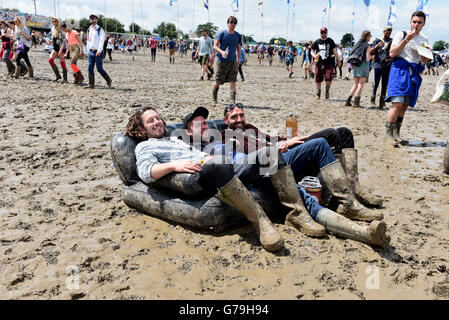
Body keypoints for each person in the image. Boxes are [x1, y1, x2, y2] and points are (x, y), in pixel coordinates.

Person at [182, 107, 389, 247]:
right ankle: (356, 221)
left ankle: (360, 226)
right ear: (189, 132)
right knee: (318, 146)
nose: (205, 127)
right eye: (198, 125)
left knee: (306, 195)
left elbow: (264, 142)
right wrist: (277, 147)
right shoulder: (202, 147)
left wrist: (285, 141)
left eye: (206, 124)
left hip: (268, 162)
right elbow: (212, 167)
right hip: (255, 167)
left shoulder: (229, 137)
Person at [125, 106, 286, 252]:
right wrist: (174, 165)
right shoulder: (144, 146)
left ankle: (297, 214)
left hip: (218, 164)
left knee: (269, 154)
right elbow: (146, 172)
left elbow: (201, 153)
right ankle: (261, 224)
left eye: (158, 118)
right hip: (204, 173)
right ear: (142, 129)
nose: (157, 122)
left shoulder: (174, 140)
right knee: (219, 163)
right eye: (150, 121)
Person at [221, 104, 384, 210]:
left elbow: (269, 138)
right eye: (234, 117)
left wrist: (288, 140)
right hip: (276, 160)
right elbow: (254, 153)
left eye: (241, 115)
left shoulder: (249, 128)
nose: (239, 120)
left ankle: (352, 185)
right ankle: (343, 195)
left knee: (343, 133)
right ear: (225, 120)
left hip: (284, 148)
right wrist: (279, 146)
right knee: (329, 135)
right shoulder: (227, 135)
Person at [384, 11, 430, 147]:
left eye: (419, 22)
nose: (416, 24)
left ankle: (396, 134)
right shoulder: (401, 34)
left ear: (424, 24)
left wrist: (426, 57)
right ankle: (388, 135)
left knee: (404, 106)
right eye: (414, 21)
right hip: (399, 70)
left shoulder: (424, 39)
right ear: (410, 22)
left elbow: (423, 61)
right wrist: (407, 40)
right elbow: (392, 53)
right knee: (397, 103)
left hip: (413, 73)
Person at [212, 16, 242, 104]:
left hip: (232, 62)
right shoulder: (222, 34)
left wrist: (238, 60)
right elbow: (215, 46)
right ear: (227, 23)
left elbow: (238, 48)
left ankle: (232, 101)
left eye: (234, 23)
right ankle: (214, 97)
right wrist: (221, 52)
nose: (232, 24)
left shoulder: (237, 35)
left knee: (233, 81)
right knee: (218, 82)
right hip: (221, 62)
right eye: (231, 22)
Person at [344, 31, 372, 108]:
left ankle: (348, 101)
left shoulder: (357, 44)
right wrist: (371, 57)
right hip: (363, 65)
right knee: (360, 85)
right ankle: (356, 102)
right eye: (370, 36)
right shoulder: (367, 45)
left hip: (356, 65)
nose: (370, 37)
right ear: (367, 36)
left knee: (355, 84)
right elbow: (367, 59)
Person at [311, 27, 341, 99]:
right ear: (320, 33)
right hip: (319, 63)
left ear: (327, 33)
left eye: (325, 32)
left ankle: (327, 91)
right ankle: (318, 93)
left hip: (329, 63)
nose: (323, 34)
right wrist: (314, 55)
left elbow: (335, 51)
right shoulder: (317, 41)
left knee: (328, 78)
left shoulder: (330, 41)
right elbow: (311, 51)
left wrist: (338, 61)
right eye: (322, 32)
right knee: (318, 78)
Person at [85, 14, 112, 89]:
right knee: (90, 68)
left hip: (98, 52)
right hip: (90, 52)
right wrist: (87, 51)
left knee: (99, 68)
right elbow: (88, 41)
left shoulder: (100, 29)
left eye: (93, 18)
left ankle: (109, 80)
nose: (91, 19)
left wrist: (99, 50)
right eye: (90, 18)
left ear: (96, 20)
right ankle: (91, 84)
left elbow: (101, 41)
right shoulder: (89, 29)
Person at [370, 26, 393, 108]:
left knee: (385, 84)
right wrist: (376, 46)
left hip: (387, 65)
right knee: (376, 83)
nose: (388, 34)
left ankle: (382, 101)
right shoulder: (377, 40)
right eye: (387, 32)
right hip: (377, 64)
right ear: (383, 32)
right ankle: (372, 99)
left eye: (389, 33)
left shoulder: (392, 41)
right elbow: (371, 52)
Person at [61, 21, 85, 85]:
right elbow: (68, 45)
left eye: (64, 29)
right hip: (71, 49)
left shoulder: (74, 32)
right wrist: (66, 53)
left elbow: (80, 42)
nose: (64, 30)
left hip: (76, 48)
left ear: (67, 27)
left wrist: (81, 50)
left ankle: (81, 76)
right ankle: (76, 79)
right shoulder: (67, 34)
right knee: (74, 65)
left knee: (72, 64)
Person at [47, 17, 68, 83]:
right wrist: (49, 41)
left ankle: (65, 79)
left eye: (55, 21)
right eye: (52, 21)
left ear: (57, 21)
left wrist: (61, 50)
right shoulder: (52, 28)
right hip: (55, 47)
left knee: (62, 62)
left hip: (61, 47)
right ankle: (58, 76)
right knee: (50, 60)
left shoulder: (61, 29)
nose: (53, 22)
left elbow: (64, 41)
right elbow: (54, 38)